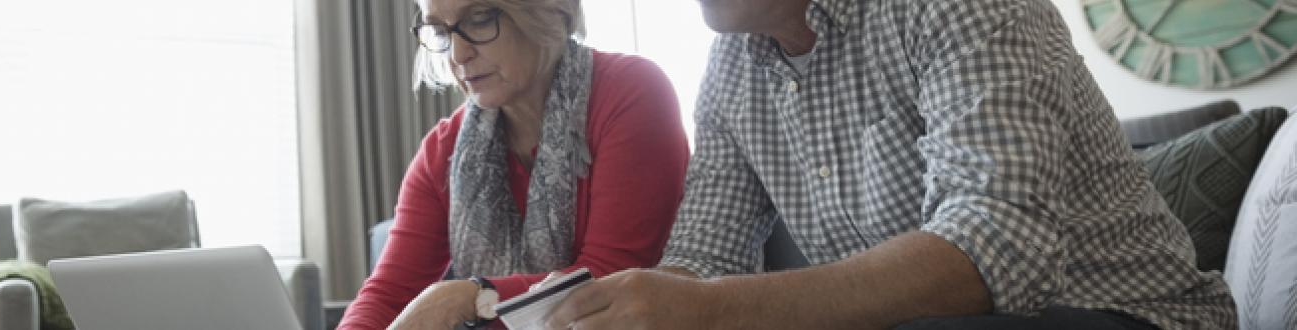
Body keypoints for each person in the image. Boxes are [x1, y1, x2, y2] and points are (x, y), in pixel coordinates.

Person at [545, 0, 1237, 329]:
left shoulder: (954, 5)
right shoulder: (730, 70)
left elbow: (996, 249)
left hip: (1132, 317)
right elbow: (701, 254)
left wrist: (712, 311)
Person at [336, 0, 690, 328]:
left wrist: (473, 296)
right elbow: (387, 293)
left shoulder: (633, 93)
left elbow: (611, 284)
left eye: (480, 20)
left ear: (548, 10)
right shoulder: (443, 150)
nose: (458, 54)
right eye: (442, 32)